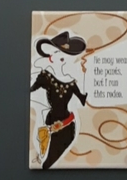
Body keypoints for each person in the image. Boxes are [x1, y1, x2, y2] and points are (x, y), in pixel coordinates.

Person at [30, 31, 87, 169]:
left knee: (50, 160)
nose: (61, 56)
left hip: (67, 125)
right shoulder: (45, 77)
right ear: (51, 57)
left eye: (64, 53)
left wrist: (84, 76)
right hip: (50, 124)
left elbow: (83, 99)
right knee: (47, 162)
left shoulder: (71, 82)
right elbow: (30, 90)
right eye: (56, 52)